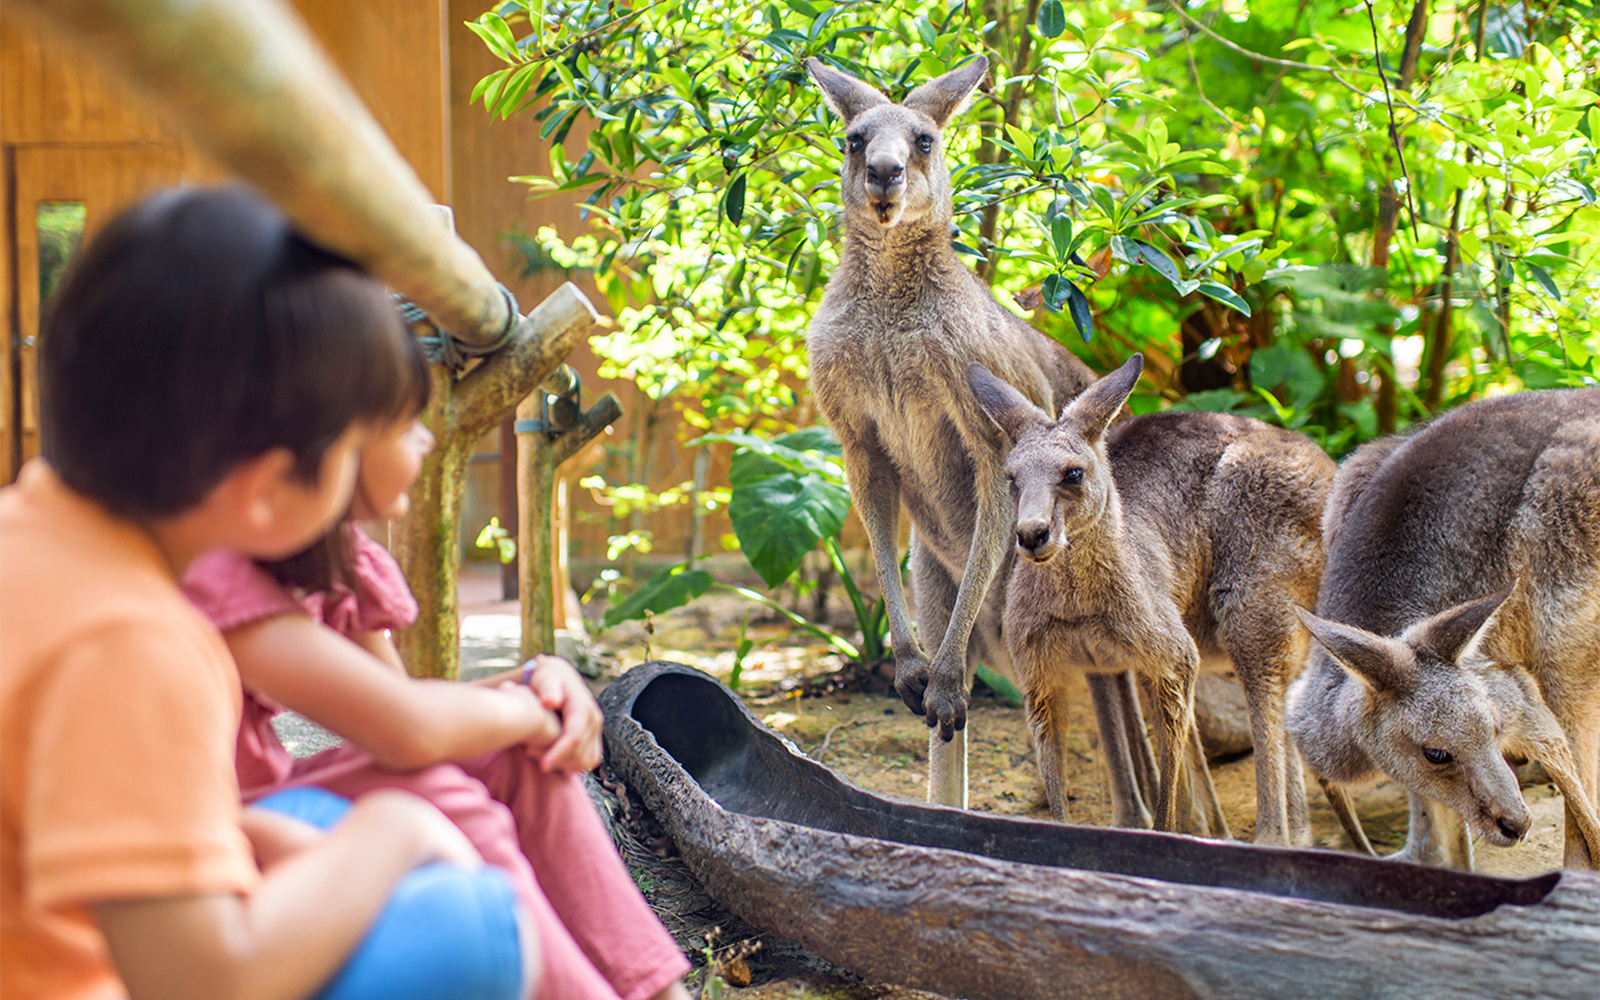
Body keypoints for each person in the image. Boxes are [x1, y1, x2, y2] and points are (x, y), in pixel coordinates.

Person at [0, 185, 534, 1000]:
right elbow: (200, 981)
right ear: (265, 488)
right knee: (477, 925)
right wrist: (392, 833)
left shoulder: (30, 530)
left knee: (313, 826)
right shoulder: (133, 645)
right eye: (359, 440)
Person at [181, 358, 694, 1000]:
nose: (427, 439)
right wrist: (533, 708)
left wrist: (539, 681)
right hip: (209, 834)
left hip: (276, 798)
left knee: (519, 752)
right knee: (439, 783)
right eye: (406, 423)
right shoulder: (218, 567)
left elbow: (404, 705)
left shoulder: (329, 551)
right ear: (335, 439)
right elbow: (407, 732)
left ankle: (656, 990)